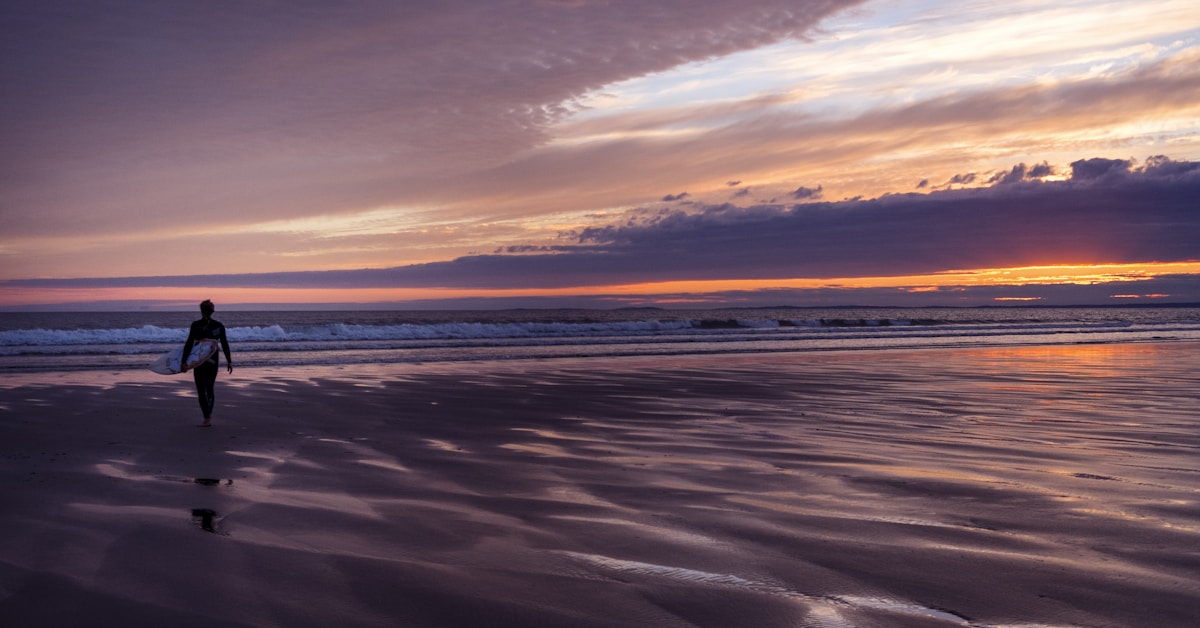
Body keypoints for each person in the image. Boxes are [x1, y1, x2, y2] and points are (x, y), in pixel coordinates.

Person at [180, 300, 232, 427]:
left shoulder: (196, 325)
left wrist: (184, 362)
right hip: (213, 360)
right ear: (213, 311)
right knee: (210, 388)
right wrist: (229, 361)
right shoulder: (219, 326)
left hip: (199, 361)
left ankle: (206, 417)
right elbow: (224, 344)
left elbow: (189, 344)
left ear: (201, 311)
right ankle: (209, 417)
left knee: (201, 390)